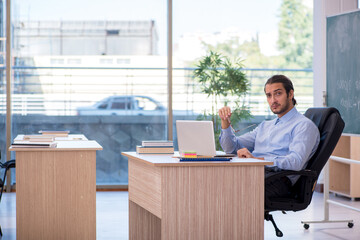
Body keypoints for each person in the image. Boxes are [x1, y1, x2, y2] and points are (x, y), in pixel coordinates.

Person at [218, 74, 320, 199]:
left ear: (290, 94)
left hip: (278, 180)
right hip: (255, 173)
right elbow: (231, 148)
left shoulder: (303, 125)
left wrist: (257, 160)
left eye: (278, 94)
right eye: (269, 95)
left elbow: (295, 162)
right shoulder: (265, 126)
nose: (273, 100)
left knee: (226, 191)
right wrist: (225, 123)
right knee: (213, 181)